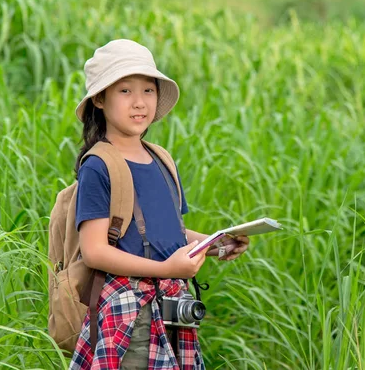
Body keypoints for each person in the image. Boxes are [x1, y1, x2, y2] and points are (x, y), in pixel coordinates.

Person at [68, 39, 250, 369]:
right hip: (130, 315)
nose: (139, 103)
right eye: (125, 91)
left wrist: (214, 243)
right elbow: (94, 251)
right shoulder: (99, 165)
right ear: (99, 98)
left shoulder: (160, 159)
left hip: (173, 308)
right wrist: (168, 270)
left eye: (148, 91)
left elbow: (169, 234)